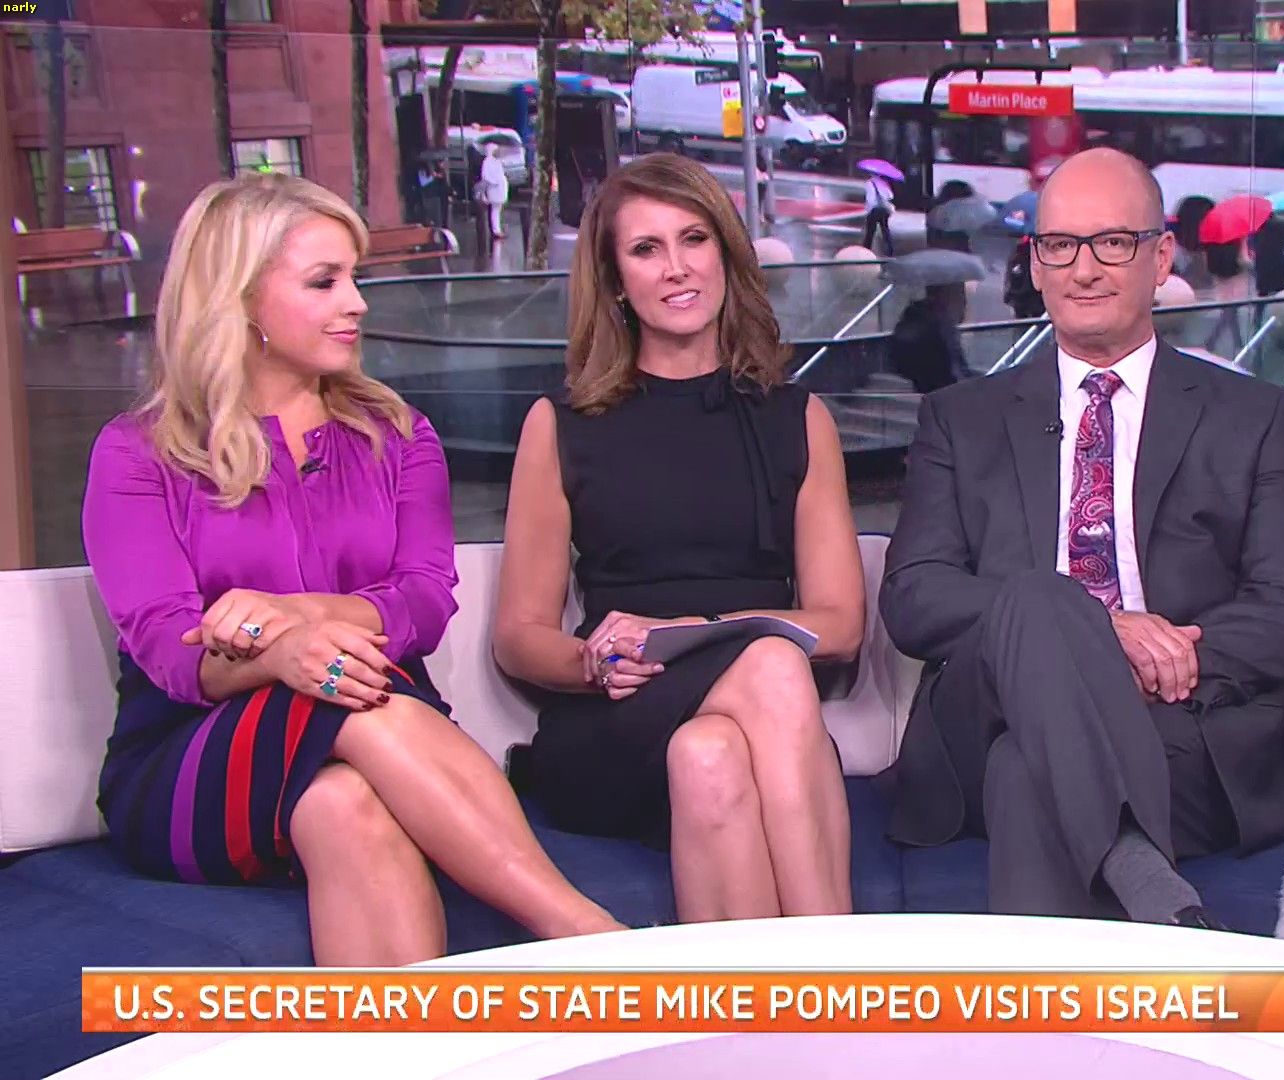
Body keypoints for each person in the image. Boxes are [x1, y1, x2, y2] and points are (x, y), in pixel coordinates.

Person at [80, 174, 622, 966]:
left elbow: (424, 601)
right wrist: (279, 655)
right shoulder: (138, 453)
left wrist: (298, 618)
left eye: (355, 278)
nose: (358, 303)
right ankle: (585, 936)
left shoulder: (397, 435)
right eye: (324, 282)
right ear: (240, 298)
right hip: (189, 758)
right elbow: (170, 649)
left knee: (344, 802)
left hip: (372, 727)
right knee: (350, 698)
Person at [879, 148, 1284, 926]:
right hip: (986, 712)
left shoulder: (1251, 418)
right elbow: (915, 596)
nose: (1083, 269)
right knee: (1039, 599)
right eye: (1060, 245)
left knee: (1025, 772)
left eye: (1112, 243)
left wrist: (1151, 665)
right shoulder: (960, 419)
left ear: (1162, 257)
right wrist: (1101, 633)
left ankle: (1083, 960)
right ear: (1036, 263)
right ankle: (1156, 902)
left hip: (1179, 732)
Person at [492, 153, 865, 923]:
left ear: (725, 253)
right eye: (646, 249)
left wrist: (700, 631)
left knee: (710, 753)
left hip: (759, 722)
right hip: (618, 718)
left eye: (694, 239)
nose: (676, 268)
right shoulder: (561, 424)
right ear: (615, 279)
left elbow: (841, 626)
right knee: (771, 664)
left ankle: (753, 1001)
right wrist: (592, 662)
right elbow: (519, 637)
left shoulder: (797, 419)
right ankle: (842, 970)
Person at [888, 282, 969, 393]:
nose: (964, 303)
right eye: (960, 295)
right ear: (946, 296)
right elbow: (949, 376)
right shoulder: (939, 331)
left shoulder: (912, 319)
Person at [477, 143, 510, 242]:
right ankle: (496, 230)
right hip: (494, 189)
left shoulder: (497, 161)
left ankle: (497, 229)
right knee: (495, 210)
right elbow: (485, 176)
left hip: (499, 189)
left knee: (498, 210)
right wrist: (494, 182)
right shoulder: (487, 162)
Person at [862, 170, 895, 256]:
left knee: (870, 231)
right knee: (885, 230)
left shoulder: (869, 183)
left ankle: (866, 250)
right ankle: (890, 250)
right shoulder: (884, 183)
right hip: (884, 210)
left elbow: (870, 199)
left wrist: (868, 210)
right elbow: (890, 196)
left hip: (875, 210)